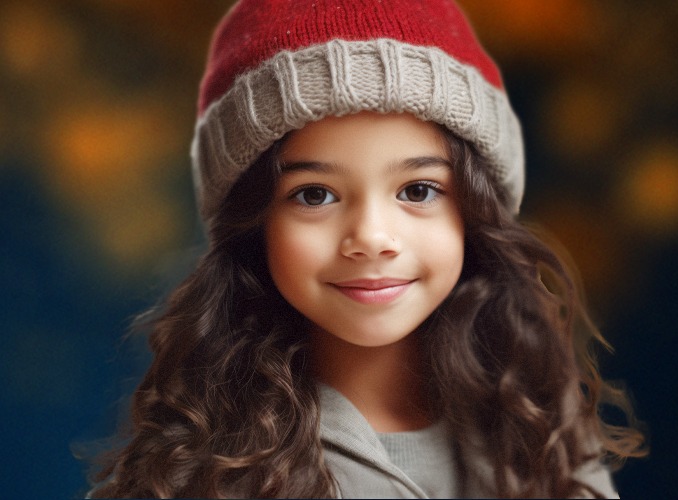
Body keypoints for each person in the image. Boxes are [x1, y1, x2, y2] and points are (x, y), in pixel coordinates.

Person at [89, 0, 646, 497]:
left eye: (419, 190)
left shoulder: (538, 425)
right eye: (314, 194)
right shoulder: (196, 469)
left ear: (477, 210)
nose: (373, 238)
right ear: (251, 221)